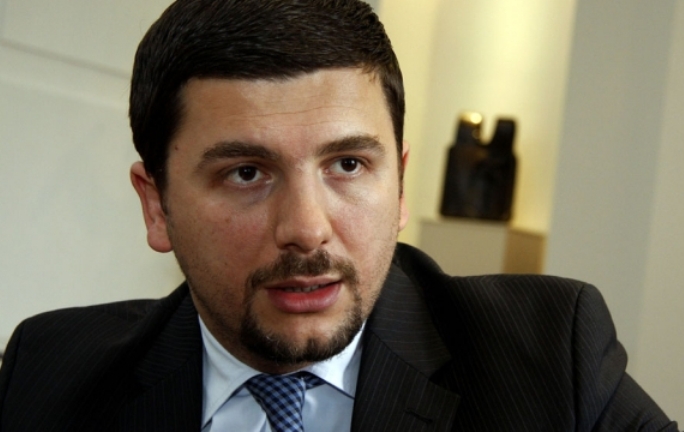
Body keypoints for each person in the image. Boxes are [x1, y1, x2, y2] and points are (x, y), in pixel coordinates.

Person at [0, 0, 679, 430]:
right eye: (246, 173)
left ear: (401, 185)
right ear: (157, 205)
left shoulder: (547, 359)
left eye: (348, 165)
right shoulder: (49, 373)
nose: (306, 228)